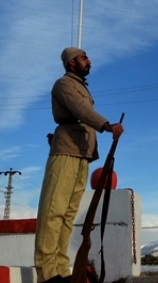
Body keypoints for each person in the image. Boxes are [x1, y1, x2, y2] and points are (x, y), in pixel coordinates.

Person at [35, 47, 124, 283]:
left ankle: (61, 269)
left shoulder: (82, 87)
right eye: (84, 57)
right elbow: (81, 110)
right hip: (65, 151)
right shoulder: (63, 84)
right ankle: (46, 271)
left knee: (68, 215)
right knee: (53, 211)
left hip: (82, 154)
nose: (89, 61)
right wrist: (106, 125)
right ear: (71, 62)